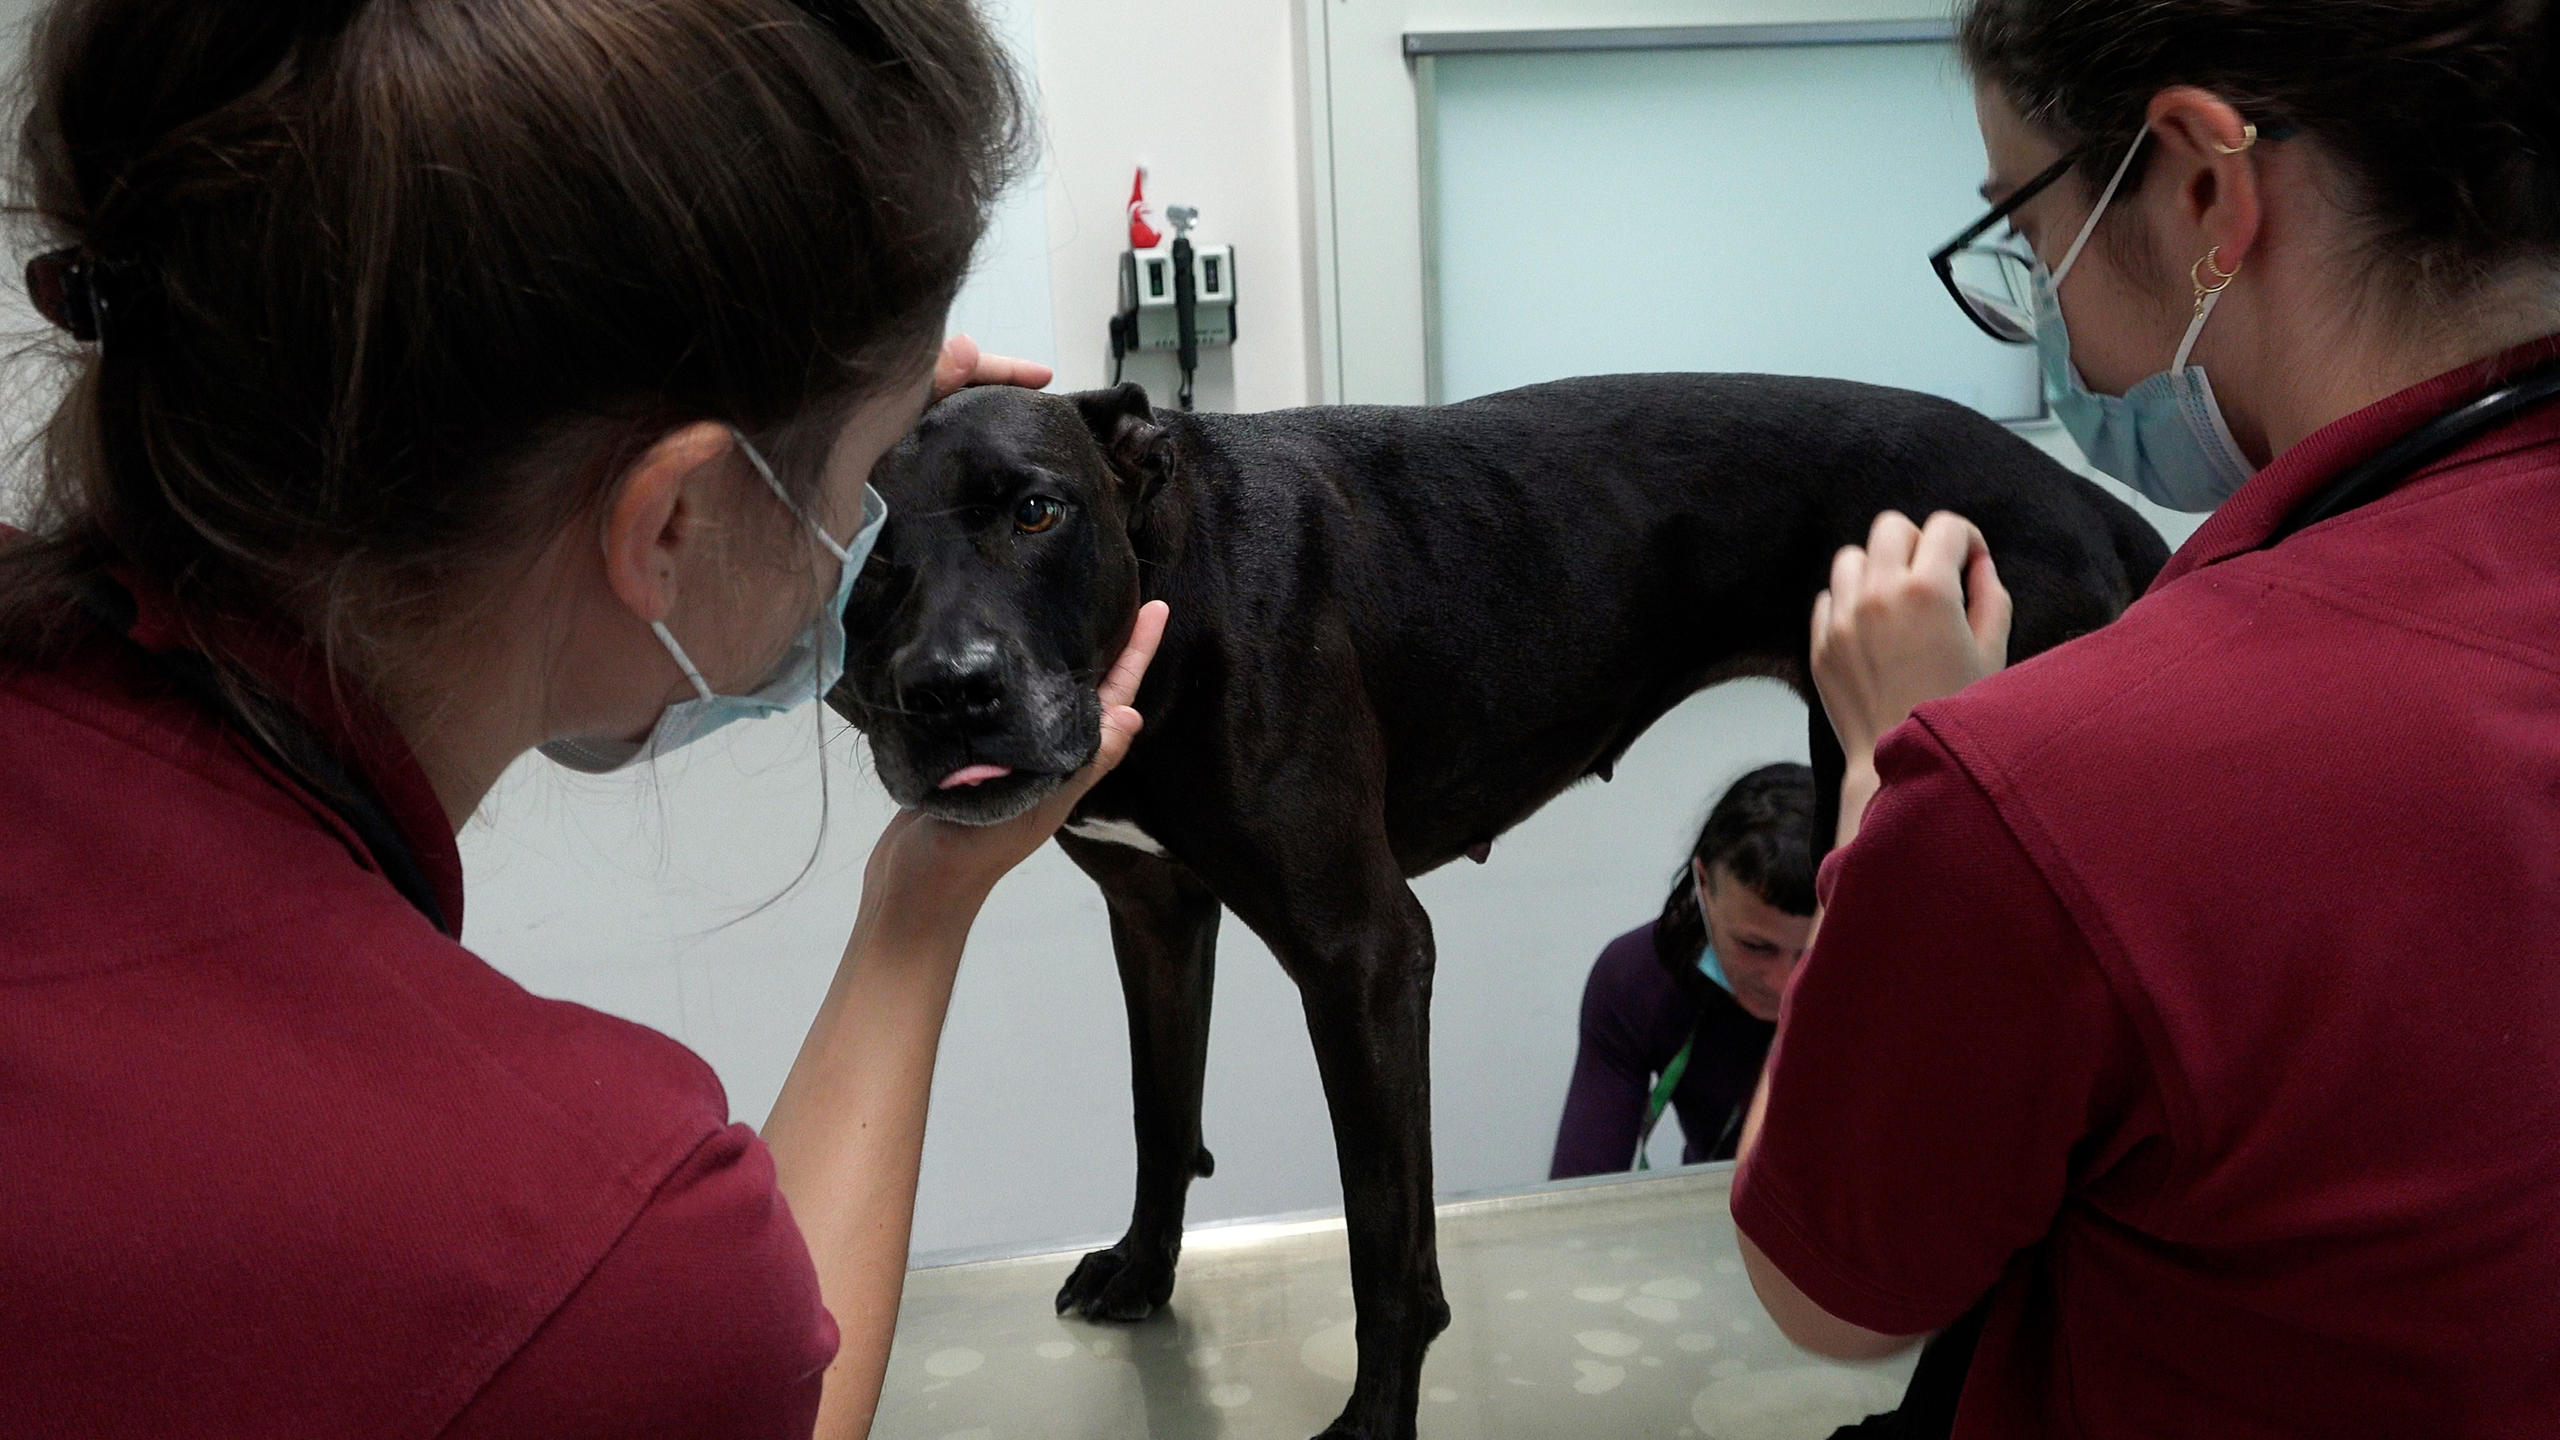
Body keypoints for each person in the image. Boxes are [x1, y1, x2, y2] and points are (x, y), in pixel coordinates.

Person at [0, 3, 1163, 1437]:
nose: (862, 536)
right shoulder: (571, 1244)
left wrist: (801, 440)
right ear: (672, 522)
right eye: (864, 482)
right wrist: (917, 920)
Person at [1731, 1, 2560, 1435]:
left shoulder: (2062, 784)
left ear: (2197, 185)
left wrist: (1892, 770)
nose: (2042, 302)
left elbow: (1836, 1294)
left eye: (2030, 230)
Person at [1549, 764, 1816, 1177]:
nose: (1783, 985)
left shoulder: (1890, 978)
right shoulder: (1635, 979)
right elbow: (1581, 1194)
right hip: (1717, 1211)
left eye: (1811, 952)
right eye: (1754, 946)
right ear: (1703, 884)